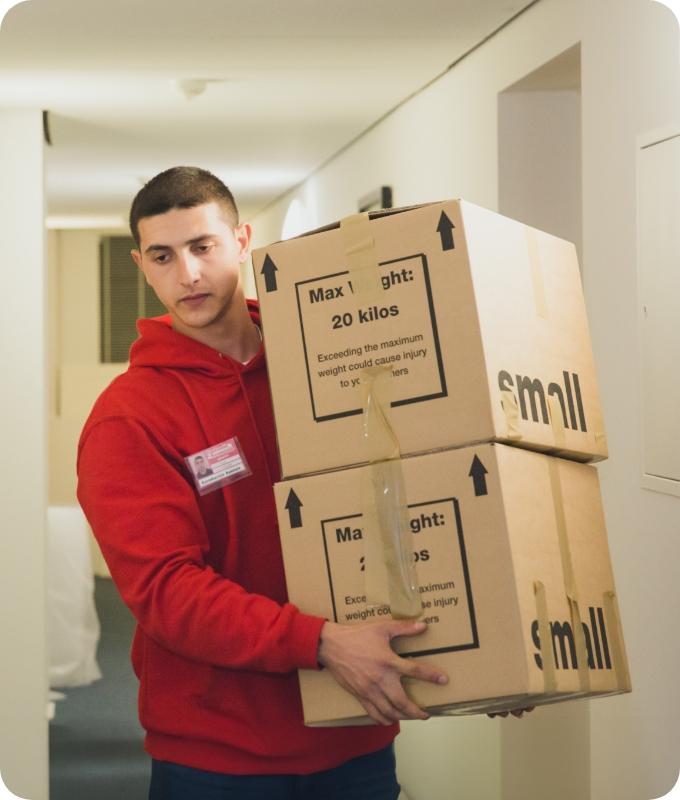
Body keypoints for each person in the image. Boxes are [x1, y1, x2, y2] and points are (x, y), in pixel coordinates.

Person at [76, 166, 451, 800]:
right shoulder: (129, 416)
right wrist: (321, 642)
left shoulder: (332, 364)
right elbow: (168, 592)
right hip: (217, 761)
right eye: (164, 256)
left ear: (243, 240)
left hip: (357, 738)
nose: (188, 274)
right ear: (142, 264)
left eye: (203, 246)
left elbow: (420, 499)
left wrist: (493, 667)